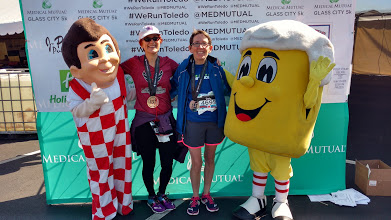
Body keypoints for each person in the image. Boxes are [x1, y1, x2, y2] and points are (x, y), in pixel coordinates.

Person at [224, 20, 335, 220]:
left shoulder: (304, 67)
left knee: (281, 168)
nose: (248, 80)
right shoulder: (245, 81)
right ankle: (257, 199)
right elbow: (239, 85)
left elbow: (308, 103)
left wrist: (315, 82)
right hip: (255, 129)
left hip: (280, 132)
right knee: (258, 166)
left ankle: (281, 201)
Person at [62, 18, 133, 220]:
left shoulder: (119, 73)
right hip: (95, 136)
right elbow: (76, 110)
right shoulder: (77, 85)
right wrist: (93, 102)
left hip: (120, 130)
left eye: (108, 49)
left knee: (123, 166)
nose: (105, 59)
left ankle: (124, 204)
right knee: (101, 172)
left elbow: (125, 97)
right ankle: (105, 210)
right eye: (93, 54)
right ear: (76, 69)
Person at [170, 30, 231, 216]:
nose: (200, 47)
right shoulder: (183, 68)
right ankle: (195, 197)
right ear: (190, 48)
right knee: (196, 163)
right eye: (196, 43)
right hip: (193, 123)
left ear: (210, 48)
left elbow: (229, 89)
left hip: (214, 122)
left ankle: (207, 194)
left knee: (210, 159)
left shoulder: (216, 68)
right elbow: (172, 88)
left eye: (204, 43)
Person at [120, 25, 178, 214]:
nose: (152, 42)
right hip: (144, 122)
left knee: (167, 162)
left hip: (165, 120)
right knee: (149, 163)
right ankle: (151, 196)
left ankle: (162, 194)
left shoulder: (169, 63)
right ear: (141, 44)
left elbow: (187, 75)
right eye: (148, 39)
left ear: (160, 41)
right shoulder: (134, 63)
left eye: (155, 38)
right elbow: (113, 71)